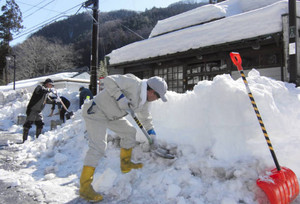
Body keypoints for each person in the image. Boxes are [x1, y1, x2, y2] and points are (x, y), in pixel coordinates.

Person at [79, 74, 168, 202]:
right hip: (96, 112)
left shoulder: (144, 102)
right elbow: (109, 80)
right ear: (151, 91)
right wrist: (120, 97)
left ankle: (125, 164)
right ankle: (84, 187)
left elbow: (146, 119)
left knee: (129, 132)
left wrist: (152, 135)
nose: (157, 99)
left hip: (111, 116)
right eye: (158, 96)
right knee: (98, 147)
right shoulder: (133, 83)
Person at [23, 78, 55, 143]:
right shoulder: (40, 87)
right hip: (32, 109)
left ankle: (38, 140)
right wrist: (48, 90)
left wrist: (54, 101)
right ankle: (24, 140)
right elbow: (40, 91)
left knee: (40, 124)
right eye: (50, 84)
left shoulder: (46, 93)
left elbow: (48, 100)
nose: (51, 86)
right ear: (46, 83)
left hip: (38, 111)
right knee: (28, 124)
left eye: (52, 85)